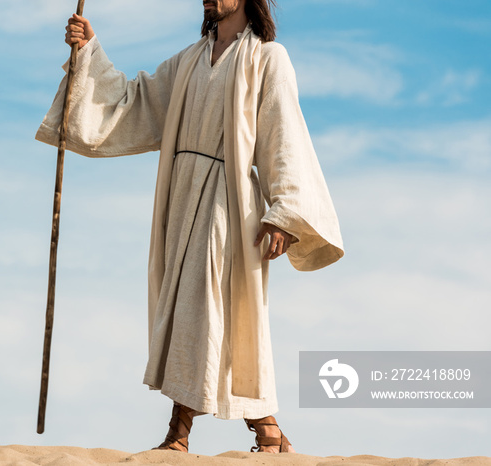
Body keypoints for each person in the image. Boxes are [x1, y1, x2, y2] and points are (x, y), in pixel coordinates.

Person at [36, 0, 344, 454]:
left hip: (227, 199)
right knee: (191, 308)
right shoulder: (189, 60)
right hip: (181, 197)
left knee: (211, 304)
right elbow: (133, 101)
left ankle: (184, 432)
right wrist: (88, 53)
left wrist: (284, 211)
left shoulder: (266, 57)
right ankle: (267, 431)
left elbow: (284, 131)